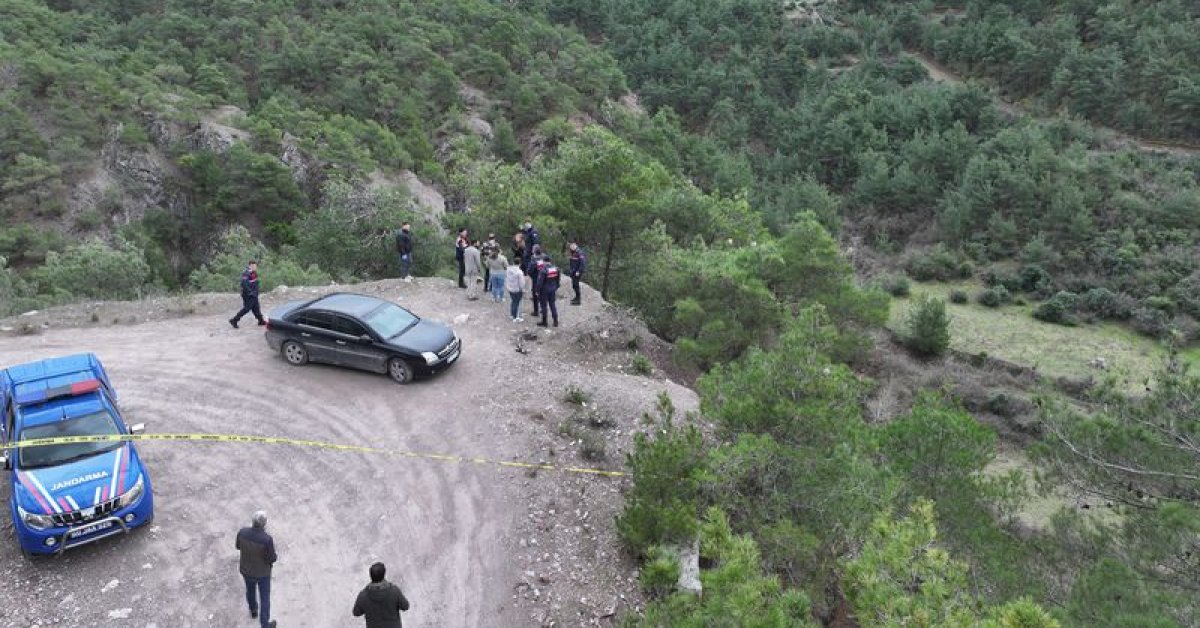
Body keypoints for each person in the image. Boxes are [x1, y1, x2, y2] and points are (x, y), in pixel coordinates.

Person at [236, 511, 278, 628]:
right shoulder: (267, 539)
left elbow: (238, 546)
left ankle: (253, 610)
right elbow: (272, 558)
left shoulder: (242, 532)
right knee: (264, 598)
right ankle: (265, 624)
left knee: (250, 590)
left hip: (246, 570)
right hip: (262, 573)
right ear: (264, 524)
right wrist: (275, 556)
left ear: (253, 521)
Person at [352, 562, 409, 628]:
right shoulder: (394, 591)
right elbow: (405, 606)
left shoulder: (363, 595)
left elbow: (356, 613)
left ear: (370, 575)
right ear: (384, 574)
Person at [229, 260, 266, 328]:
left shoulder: (254, 273)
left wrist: (256, 291)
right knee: (247, 308)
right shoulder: (246, 273)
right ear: (250, 266)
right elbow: (244, 284)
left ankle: (261, 321)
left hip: (254, 294)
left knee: (256, 307)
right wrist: (250, 292)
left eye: (256, 266)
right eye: (254, 266)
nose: (255, 267)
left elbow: (255, 283)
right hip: (249, 295)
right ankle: (234, 320)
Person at [536, 255, 561, 327]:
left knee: (544, 306)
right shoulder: (556, 269)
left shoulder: (543, 270)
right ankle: (555, 321)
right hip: (552, 289)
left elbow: (539, 282)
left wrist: (537, 290)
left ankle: (544, 322)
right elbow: (558, 279)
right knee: (552, 304)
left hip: (544, 291)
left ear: (544, 261)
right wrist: (556, 287)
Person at [527, 245, 545, 318]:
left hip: (536, 280)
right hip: (544, 279)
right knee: (543, 294)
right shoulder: (544, 257)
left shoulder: (534, 260)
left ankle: (536, 311)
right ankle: (543, 309)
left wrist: (532, 277)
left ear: (534, 251)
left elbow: (529, 271)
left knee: (535, 296)